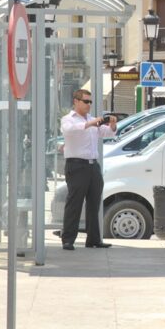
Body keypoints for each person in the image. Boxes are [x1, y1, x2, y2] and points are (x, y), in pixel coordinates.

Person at [60, 89, 116, 250]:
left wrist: (112, 125)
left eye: (90, 102)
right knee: (74, 203)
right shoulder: (68, 119)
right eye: (86, 101)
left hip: (93, 165)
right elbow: (69, 130)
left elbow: (106, 133)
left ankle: (93, 239)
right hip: (76, 165)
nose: (89, 105)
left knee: (94, 203)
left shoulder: (92, 120)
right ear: (76, 101)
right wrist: (91, 123)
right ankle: (68, 239)